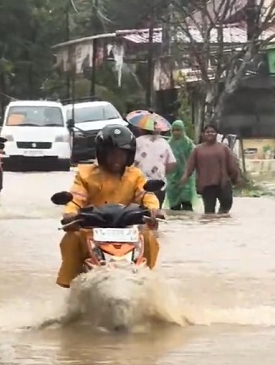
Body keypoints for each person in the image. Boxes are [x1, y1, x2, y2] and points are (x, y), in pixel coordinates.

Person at [57, 124, 162, 288]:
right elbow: (76, 198)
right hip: (93, 227)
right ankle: (69, 280)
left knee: (149, 236)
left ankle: (148, 276)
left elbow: (146, 193)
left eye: (121, 154)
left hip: (126, 228)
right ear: (102, 154)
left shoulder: (135, 175)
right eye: (112, 154)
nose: (117, 158)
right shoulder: (85, 174)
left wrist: (154, 209)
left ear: (128, 155)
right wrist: (70, 213)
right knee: (72, 238)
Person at [179, 124, 241, 214]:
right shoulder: (197, 150)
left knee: (227, 203)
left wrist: (237, 178)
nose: (210, 134)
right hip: (206, 184)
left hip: (222, 183)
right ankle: (210, 224)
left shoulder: (223, 148)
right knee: (209, 210)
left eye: (212, 132)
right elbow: (190, 166)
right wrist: (185, 177)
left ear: (216, 134)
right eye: (208, 132)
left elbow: (231, 164)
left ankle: (221, 221)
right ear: (203, 134)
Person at [133, 121, 176, 208]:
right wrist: (162, 173)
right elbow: (172, 164)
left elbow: (130, 162)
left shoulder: (136, 142)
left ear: (142, 128)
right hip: (159, 184)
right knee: (156, 212)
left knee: (138, 212)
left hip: (139, 183)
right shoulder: (164, 143)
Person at [165, 120, 196, 211]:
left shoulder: (189, 144)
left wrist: (187, 173)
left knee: (186, 202)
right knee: (174, 206)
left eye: (178, 130)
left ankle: (187, 223)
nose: (176, 132)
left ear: (183, 130)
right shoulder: (167, 144)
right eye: (174, 130)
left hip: (186, 177)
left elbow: (193, 159)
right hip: (171, 178)